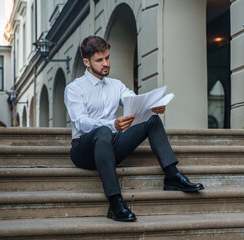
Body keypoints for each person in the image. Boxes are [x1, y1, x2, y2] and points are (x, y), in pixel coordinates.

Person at [64, 36, 204, 222]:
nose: (106, 63)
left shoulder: (116, 85)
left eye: (107, 57)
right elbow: (80, 122)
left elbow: (134, 102)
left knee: (152, 120)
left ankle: (172, 176)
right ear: (86, 62)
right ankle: (115, 202)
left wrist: (153, 106)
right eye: (100, 60)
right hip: (83, 149)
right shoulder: (74, 88)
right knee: (104, 131)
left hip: (111, 146)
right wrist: (111, 125)